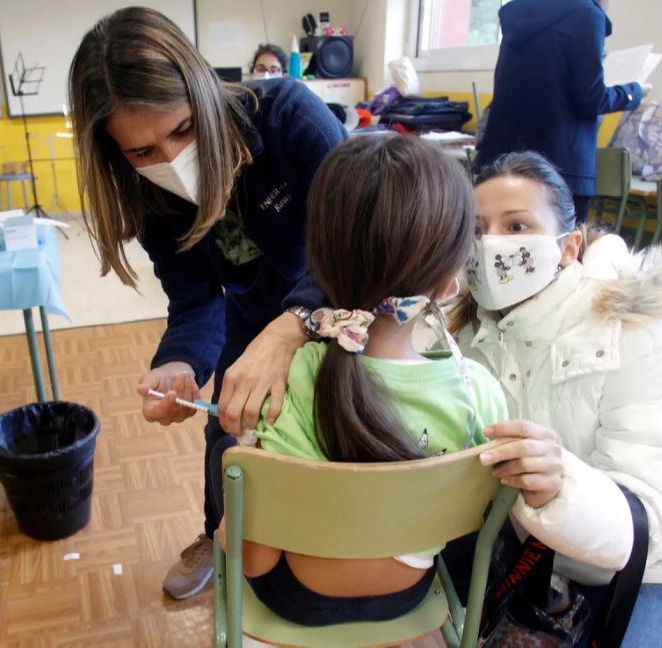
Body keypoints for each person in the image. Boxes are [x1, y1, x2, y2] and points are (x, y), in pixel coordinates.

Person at [68, 7, 346, 599]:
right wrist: (181, 365)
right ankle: (219, 533)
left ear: (202, 93)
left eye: (182, 129)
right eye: (140, 152)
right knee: (227, 433)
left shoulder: (288, 116)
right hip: (252, 312)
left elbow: (353, 242)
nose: (167, 160)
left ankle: (337, 551)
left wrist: (294, 326)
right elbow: (194, 298)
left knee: (336, 427)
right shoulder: (148, 197)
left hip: (338, 302)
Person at [217, 134, 510, 626]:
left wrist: (237, 484)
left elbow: (253, 559)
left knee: (229, 469)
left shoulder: (293, 381)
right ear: (447, 282)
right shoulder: (476, 392)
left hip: (299, 599)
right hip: (410, 594)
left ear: (320, 268)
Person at [451, 151, 662, 645]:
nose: (491, 244)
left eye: (516, 227)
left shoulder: (632, 332)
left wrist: (561, 484)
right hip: (549, 561)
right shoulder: (467, 337)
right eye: (477, 229)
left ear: (568, 246)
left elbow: (653, 516)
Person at [474, 0, 650, 225]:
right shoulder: (586, 15)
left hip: (503, 158)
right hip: (561, 164)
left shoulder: (518, 13)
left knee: (492, 242)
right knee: (561, 252)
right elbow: (590, 98)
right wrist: (633, 92)